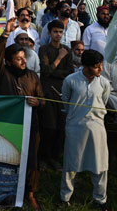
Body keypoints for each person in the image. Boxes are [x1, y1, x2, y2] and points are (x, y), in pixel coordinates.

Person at [0, 18, 45, 209]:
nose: (23, 62)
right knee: (7, 158)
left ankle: (30, 193)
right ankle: (6, 192)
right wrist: (5, 34)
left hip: (31, 125)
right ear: (8, 61)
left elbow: (43, 99)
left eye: (24, 58)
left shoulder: (32, 76)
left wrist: (37, 102)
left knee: (31, 158)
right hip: (9, 125)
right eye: (18, 59)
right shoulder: (2, 72)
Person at [60, 50, 111, 210]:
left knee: (100, 165)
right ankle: (65, 197)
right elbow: (65, 103)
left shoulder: (103, 82)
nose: (100, 70)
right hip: (75, 128)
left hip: (97, 129)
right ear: (86, 67)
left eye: (100, 66)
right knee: (71, 164)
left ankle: (100, 199)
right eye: (97, 67)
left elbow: (104, 101)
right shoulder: (70, 81)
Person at [38, 19, 74, 170]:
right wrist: (59, 58)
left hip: (62, 92)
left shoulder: (67, 49)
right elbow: (45, 71)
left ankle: (54, 157)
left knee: (60, 127)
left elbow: (70, 72)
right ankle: (43, 157)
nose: (58, 35)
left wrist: (55, 71)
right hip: (48, 91)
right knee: (48, 126)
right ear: (49, 33)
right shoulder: (44, 49)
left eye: (60, 32)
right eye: (55, 32)